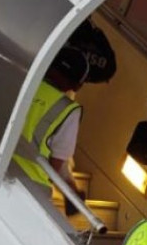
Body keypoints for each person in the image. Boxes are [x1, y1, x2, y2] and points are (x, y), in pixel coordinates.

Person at [12, 46, 90, 208]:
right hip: (31, 187)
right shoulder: (68, 110)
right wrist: (71, 191)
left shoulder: (21, 80)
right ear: (77, 86)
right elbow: (57, 163)